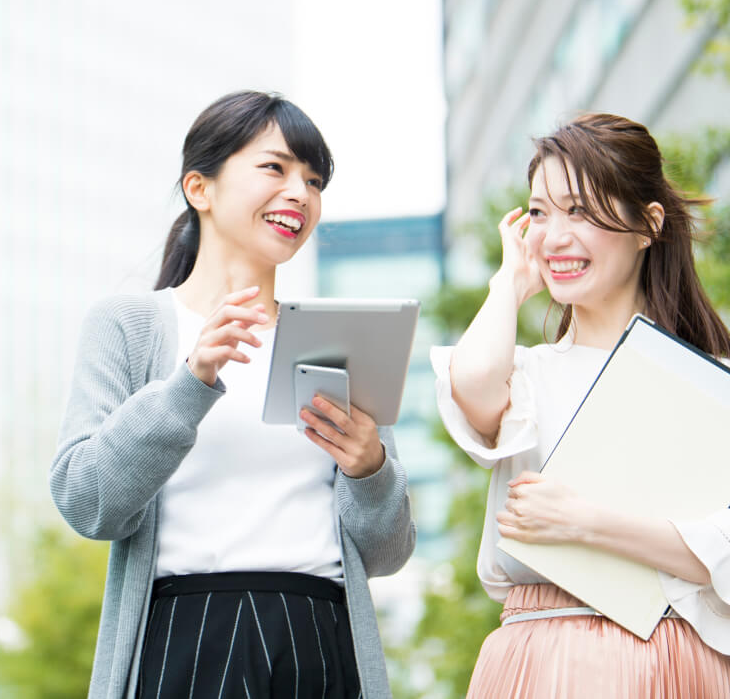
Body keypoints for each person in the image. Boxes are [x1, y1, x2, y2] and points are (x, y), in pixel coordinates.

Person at [51, 91, 415, 699]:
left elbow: (388, 553)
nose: (300, 193)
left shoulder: (336, 340)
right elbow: (87, 501)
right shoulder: (130, 325)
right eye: (275, 168)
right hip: (190, 638)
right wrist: (189, 383)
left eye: (314, 179)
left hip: (322, 640)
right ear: (201, 188)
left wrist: (371, 468)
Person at [431, 113, 730, 696]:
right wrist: (510, 283)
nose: (555, 236)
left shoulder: (712, 384)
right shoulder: (528, 373)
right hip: (538, 653)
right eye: (540, 212)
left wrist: (583, 523)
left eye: (581, 210)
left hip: (675, 657)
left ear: (648, 225)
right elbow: (474, 387)